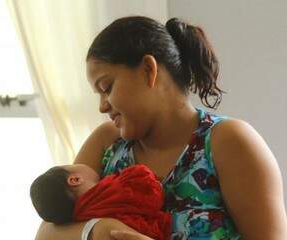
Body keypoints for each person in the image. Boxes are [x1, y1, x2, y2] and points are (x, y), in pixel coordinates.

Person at [35, 16, 287, 240]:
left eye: (106, 88)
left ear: (148, 70)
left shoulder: (229, 141)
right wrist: (96, 230)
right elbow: (47, 233)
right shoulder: (108, 142)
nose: (102, 107)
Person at [30, 163, 171, 240]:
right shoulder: (113, 190)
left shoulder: (79, 218)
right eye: (71, 164)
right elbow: (148, 191)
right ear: (75, 179)